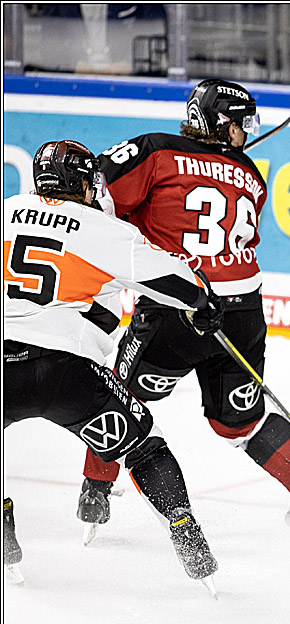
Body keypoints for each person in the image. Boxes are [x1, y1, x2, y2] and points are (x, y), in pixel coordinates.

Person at [76, 79, 290, 537]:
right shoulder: (253, 177)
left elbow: (94, 193)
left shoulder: (154, 151)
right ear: (221, 123)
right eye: (243, 124)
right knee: (240, 421)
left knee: (122, 401)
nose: (247, 132)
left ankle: (95, 493)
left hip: (176, 312)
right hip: (243, 316)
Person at [4, 140, 221, 588]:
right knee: (145, 446)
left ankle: (5, 539)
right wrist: (203, 303)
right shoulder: (99, 228)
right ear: (82, 183)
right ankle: (185, 533)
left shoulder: (7, 209)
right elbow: (171, 279)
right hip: (68, 370)